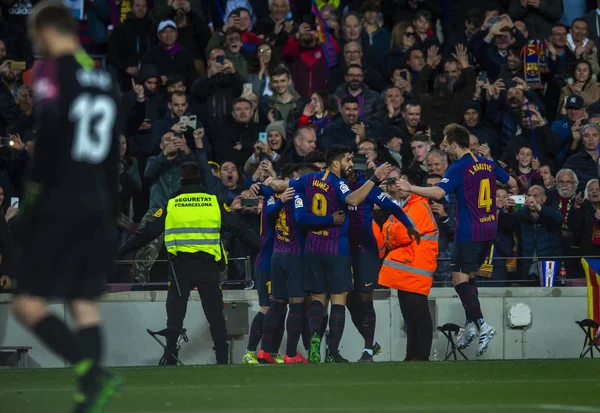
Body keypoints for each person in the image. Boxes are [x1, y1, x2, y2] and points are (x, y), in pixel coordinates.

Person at [11, 3, 121, 412]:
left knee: (27, 304)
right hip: (96, 203)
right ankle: (88, 394)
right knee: (83, 304)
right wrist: (110, 213)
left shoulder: (52, 72)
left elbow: (51, 145)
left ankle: (92, 373)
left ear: (44, 29)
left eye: (33, 32)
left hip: (61, 201)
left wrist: (31, 206)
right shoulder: (105, 78)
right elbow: (111, 155)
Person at [119, 161, 260, 364]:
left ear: (181, 179)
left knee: (175, 315)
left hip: (179, 268)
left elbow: (147, 232)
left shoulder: (172, 204)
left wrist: (122, 251)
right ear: (201, 178)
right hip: (208, 267)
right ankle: (222, 359)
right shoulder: (213, 202)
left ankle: (169, 357)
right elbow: (240, 228)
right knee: (215, 315)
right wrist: (262, 245)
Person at [397, 124, 517, 356]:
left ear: (454, 145)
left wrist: (410, 187)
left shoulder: (458, 166)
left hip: (469, 231)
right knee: (469, 278)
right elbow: (512, 183)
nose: (446, 149)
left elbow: (439, 193)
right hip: (489, 230)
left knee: (458, 279)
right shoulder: (488, 163)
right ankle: (471, 323)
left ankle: (482, 325)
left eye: (446, 144)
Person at [266, 145, 392, 363]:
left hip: (312, 248)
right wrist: (374, 178)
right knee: (338, 301)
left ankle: (314, 345)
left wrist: (270, 182)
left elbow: (285, 191)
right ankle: (332, 352)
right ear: (337, 162)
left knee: (316, 299)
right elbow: (352, 200)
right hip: (337, 249)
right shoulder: (338, 183)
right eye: (349, 160)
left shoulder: (308, 180)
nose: (351, 164)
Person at [345, 167, 420, 362]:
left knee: (364, 295)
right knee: (347, 299)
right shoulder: (336, 185)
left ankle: (368, 349)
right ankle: (369, 342)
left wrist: (409, 225)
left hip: (365, 249)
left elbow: (393, 207)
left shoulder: (366, 186)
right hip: (342, 249)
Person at [376, 169, 438, 361]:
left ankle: (421, 356)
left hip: (416, 270)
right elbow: (389, 229)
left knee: (418, 315)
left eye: (402, 182)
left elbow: (401, 234)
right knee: (410, 318)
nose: (398, 186)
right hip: (408, 269)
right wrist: (392, 231)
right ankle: (412, 357)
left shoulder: (419, 206)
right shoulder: (405, 207)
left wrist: (391, 232)